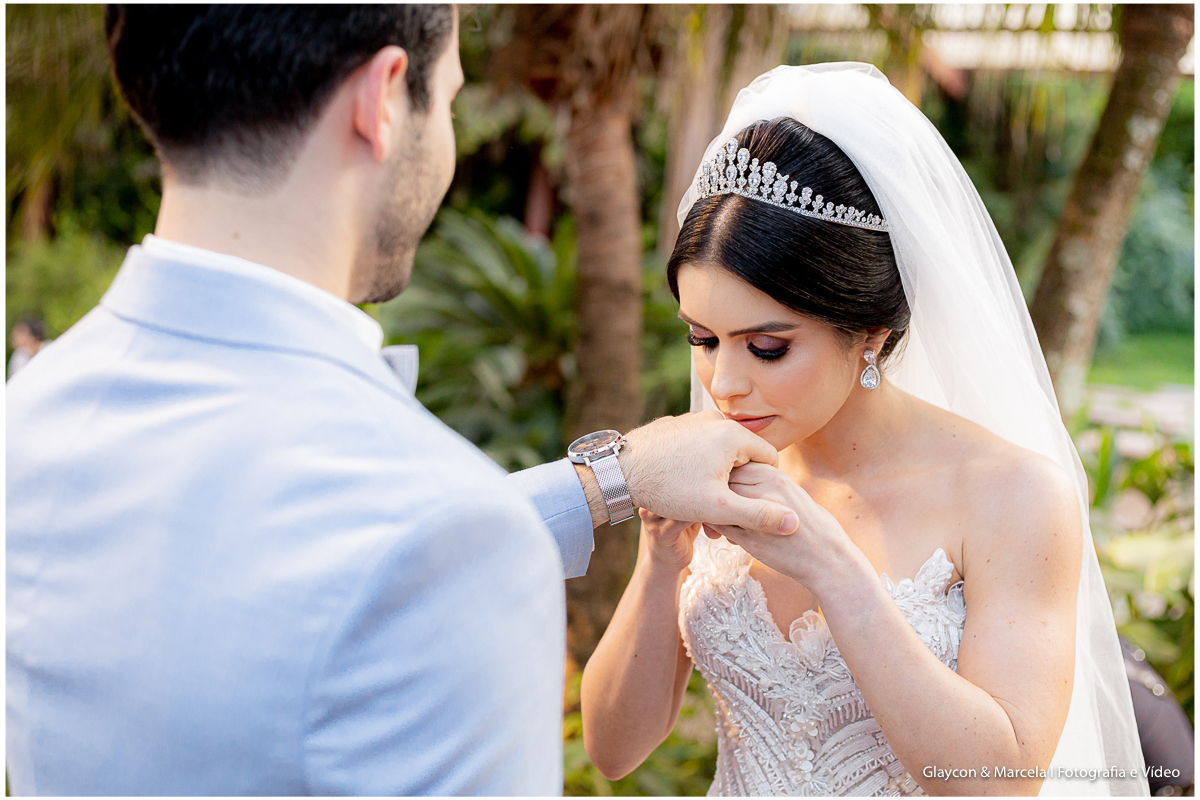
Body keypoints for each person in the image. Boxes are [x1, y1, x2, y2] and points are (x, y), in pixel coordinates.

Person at [5, 7, 803, 796]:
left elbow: (287, 554)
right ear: (382, 98)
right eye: (449, 100)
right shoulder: (448, 538)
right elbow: (399, 548)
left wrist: (607, 481)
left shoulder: (30, 411)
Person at [580, 64, 1150, 796]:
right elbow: (613, 749)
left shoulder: (1013, 495)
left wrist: (833, 569)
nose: (723, 383)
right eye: (703, 338)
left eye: (768, 347)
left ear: (871, 334)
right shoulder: (718, 466)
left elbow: (1000, 783)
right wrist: (661, 557)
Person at [8, 315, 46, 379]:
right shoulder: (19, 356)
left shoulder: (47, 348)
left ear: (29, 334)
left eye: (19, 332)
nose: (13, 336)